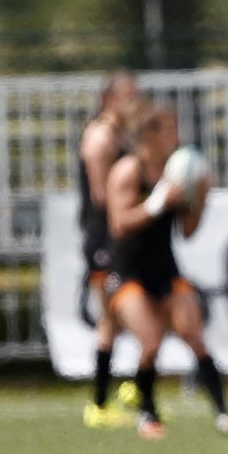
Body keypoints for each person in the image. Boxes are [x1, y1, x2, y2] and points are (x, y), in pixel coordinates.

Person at [105, 104, 228, 440]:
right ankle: (147, 414)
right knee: (151, 341)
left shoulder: (174, 172)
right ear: (149, 135)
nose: (176, 137)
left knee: (194, 335)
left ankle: (224, 414)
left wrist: (199, 199)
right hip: (128, 272)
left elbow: (187, 231)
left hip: (165, 269)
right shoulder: (128, 171)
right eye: (168, 130)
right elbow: (120, 224)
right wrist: (158, 202)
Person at [80, 71, 143, 429]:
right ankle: (99, 403)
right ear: (109, 99)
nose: (133, 103)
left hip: (118, 241)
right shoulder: (100, 137)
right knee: (110, 317)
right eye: (127, 96)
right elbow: (101, 196)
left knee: (130, 315)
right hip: (103, 240)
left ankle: (132, 390)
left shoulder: (123, 136)